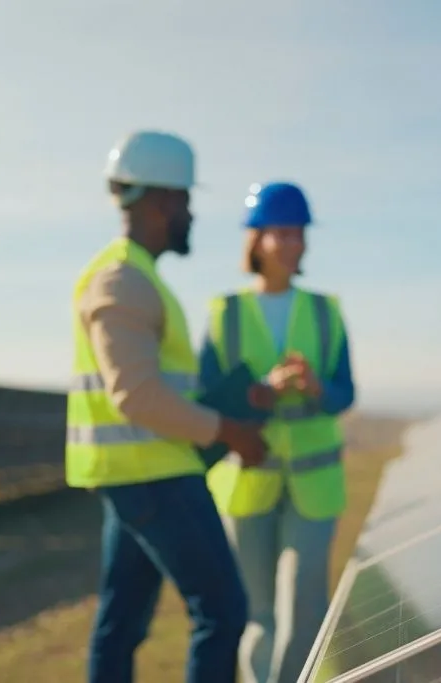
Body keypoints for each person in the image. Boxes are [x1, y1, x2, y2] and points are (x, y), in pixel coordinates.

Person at [65, 130, 270, 683]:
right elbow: (136, 396)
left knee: (121, 626)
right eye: (186, 202)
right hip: (157, 478)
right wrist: (230, 430)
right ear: (162, 202)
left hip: (136, 478)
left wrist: (234, 403)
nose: (191, 215)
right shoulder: (124, 280)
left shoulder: (132, 275)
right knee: (222, 614)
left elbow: (156, 389)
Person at [197, 181, 356, 683]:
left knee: (306, 607)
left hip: (315, 483)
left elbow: (345, 392)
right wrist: (262, 390)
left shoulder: (326, 310)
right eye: (280, 233)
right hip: (249, 481)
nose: (291, 243)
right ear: (257, 239)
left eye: (298, 233)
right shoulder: (226, 313)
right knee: (258, 614)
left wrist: (315, 388)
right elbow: (208, 399)